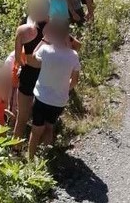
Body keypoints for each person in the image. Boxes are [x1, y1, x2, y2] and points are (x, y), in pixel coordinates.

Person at [26, 18, 81, 159]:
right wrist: (64, 89)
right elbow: (75, 81)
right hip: (59, 101)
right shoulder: (73, 56)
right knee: (49, 127)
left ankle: (31, 159)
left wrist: (44, 39)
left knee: (36, 130)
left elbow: (33, 56)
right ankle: (46, 158)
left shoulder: (45, 50)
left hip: (41, 98)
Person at [12, 0, 50, 142]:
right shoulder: (54, 27)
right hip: (46, 75)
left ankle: (15, 148)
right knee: (45, 116)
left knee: (22, 117)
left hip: (28, 73)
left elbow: (17, 59)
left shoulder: (22, 29)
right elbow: (72, 46)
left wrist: (26, 62)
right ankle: (44, 146)